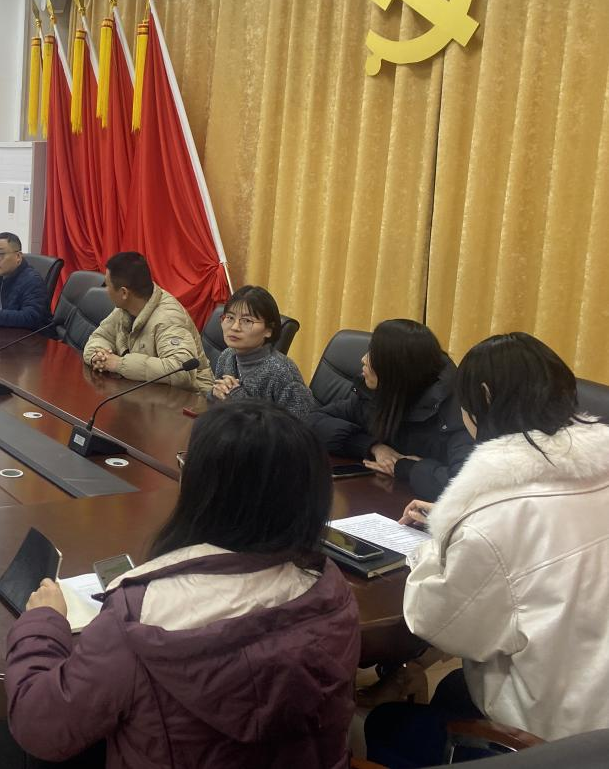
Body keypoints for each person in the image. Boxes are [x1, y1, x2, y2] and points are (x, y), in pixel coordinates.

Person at [5, 401, 359, 769]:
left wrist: (43, 622)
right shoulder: (333, 593)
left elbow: (39, 726)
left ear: (205, 490)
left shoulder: (138, 617)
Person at [365, 334, 609, 765]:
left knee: (381, 724)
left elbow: (437, 623)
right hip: (592, 694)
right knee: (453, 689)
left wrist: (438, 541)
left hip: (558, 739)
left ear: (484, 398)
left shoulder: (490, 516)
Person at [306, 319, 472, 500]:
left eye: (373, 355)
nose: (363, 359)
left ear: (396, 369)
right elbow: (313, 421)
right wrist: (373, 447)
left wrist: (407, 467)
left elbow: (464, 486)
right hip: (383, 495)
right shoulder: (377, 394)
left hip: (427, 508)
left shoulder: (457, 411)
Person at [82, 251, 213, 392]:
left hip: (191, 398)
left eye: (107, 285)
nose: (105, 290)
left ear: (124, 293)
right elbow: (100, 337)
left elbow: (181, 371)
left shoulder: (169, 318)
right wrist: (98, 357)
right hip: (147, 393)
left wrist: (119, 364)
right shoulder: (125, 308)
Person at [208, 285, 316, 418]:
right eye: (230, 318)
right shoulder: (227, 356)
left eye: (247, 321)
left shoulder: (282, 372)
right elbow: (217, 407)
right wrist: (215, 394)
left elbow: (297, 424)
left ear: (269, 330)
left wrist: (239, 399)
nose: (235, 327)